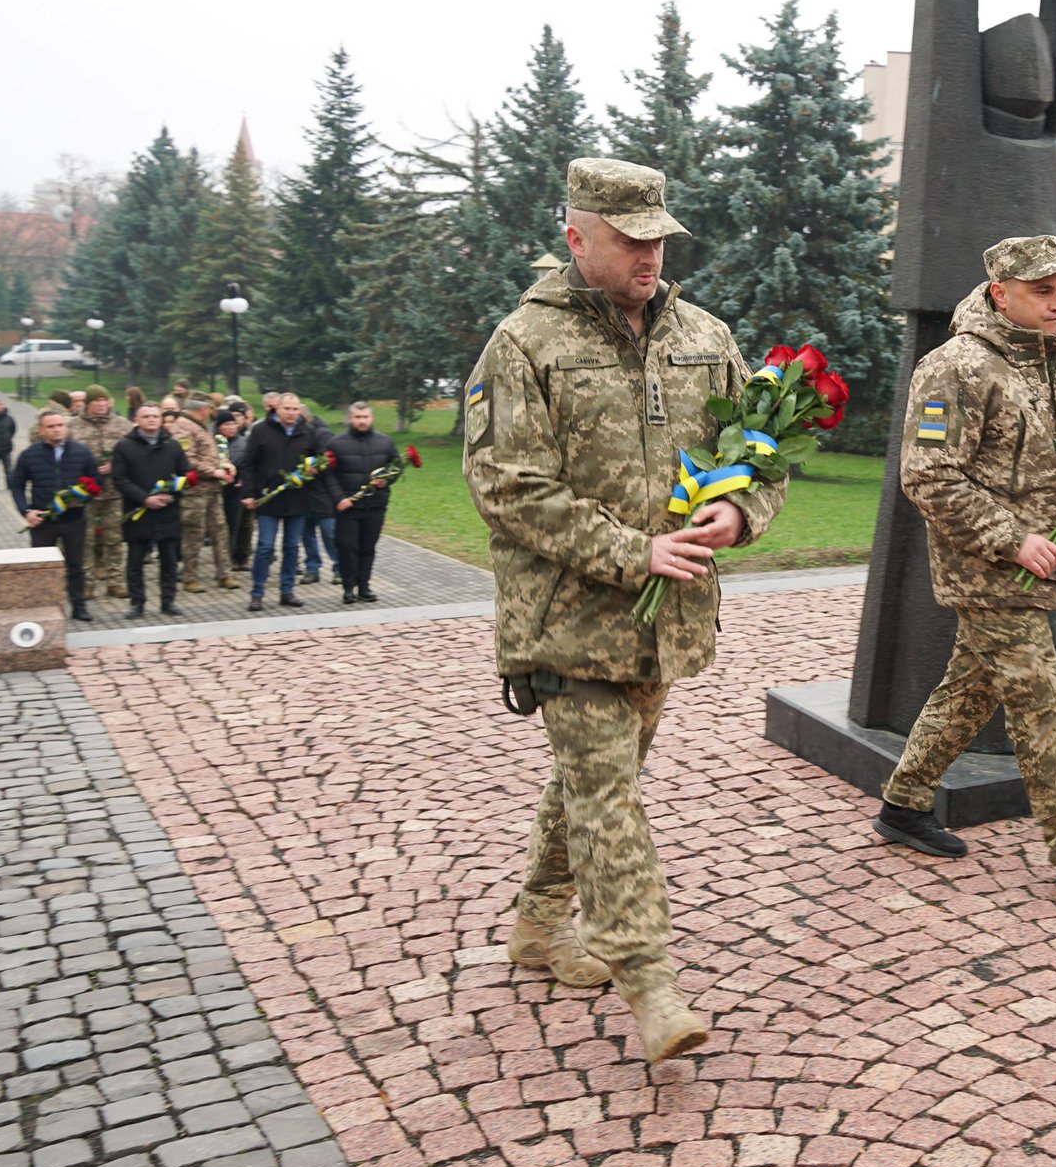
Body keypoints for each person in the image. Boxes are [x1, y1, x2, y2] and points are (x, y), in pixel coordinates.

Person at [464, 158, 786, 1063]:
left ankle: (534, 926)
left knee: (592, 786)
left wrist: (742, 510)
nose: (651, 254)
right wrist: (629, 550)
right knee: (612, 802)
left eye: (658, 238)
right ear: (577, 237)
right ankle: (651, 983)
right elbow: (505, 485)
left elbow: (757, 453)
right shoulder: (522, 345)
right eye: (629, 239)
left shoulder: (706, 334)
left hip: (667, 622)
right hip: (565, 619)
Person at [870, 234, 1056, 894]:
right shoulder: (953, 367)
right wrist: (1012, 537)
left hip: (1046, 567)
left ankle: (903, 803)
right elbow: (927, 474)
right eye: (1041, 291)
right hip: (984, 568)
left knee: (969, 689)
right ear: (1001, 293)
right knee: (1042, 702)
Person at [9, 408, 99, 621]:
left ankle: (78, 607)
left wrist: (83, 498)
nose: (57, 430)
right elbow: (16, 484)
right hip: (44, 522)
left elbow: (95, 480)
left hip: (74, 519)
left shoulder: (81, 452)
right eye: (51, 426)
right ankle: (43, 607)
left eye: (60, 425)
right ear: (41, 430)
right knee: (42, 567)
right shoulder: (30, 454)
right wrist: (26, 511)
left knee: (76, 565)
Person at [237, 390, 323, 611]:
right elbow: (247, 464)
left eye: (295, 409)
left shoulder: (307, 432)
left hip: (297, 499)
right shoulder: (261, 430)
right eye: (287, 409)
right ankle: (257, 593)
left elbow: (318, 459)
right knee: (265, 546)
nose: (291, 413)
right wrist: (248, 493)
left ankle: (287, 591)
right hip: (268, 498)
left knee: (292, 547)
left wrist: (314, 470)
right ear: (277, 408)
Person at [112, 403, 190, 619]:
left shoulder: (173, 446)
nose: (152, 420)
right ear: (136, 420)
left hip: (167, 511)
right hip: (138, 512)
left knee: (169, 560)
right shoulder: (124, 446)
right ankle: (137, 603)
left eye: (156, 416)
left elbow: (185, 475)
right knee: (135, 560)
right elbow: (120, 479)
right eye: (146, 416)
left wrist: (172, 495)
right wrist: (145, 499)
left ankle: (168, 601)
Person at [324, 401, 396, 604]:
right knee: (347, 547)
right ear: (350, 418)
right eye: (357, 417)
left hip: (375, 505)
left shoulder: (385, 442)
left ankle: (364, 586)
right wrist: (339, 498)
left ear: (371, 418)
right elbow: (328, 475)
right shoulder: (336, 444)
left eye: (365, 417)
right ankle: (348, 588)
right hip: (348, 506)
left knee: (368, 547)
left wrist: (387, 480)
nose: (362, 421)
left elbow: (395, 467)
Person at [68, 384, 131, 600]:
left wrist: (115, 465)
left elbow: (134, 453)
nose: (102, 405)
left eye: (105, 401)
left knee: (114, 538)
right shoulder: (72, 426)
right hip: (84, 493)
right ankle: (87, 584)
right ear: (88, 404)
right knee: (86, 540)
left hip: (114, 492)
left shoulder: (123, 425)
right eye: (97, 401)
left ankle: (115, 581)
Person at [171, 398, 236, 591]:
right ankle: (190, 577)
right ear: (201, 409)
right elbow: (187, 459)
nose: (211, 412)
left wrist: (223, 465)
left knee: (220, 531)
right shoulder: (183, 427)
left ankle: (224, 574)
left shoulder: (201, 426)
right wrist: (212, 471)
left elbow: (209, 454)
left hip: (213, 490)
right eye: (209, 409)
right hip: (195, 491)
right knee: (194, 534)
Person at [300, 406, 339, 586]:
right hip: (302, 492)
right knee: (306, 533)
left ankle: (339, 567)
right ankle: (312, 567)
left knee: (329, 532)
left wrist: (316, 467)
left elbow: (331, 460)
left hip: (323, 492)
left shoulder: (322, 434)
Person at [217, 406, 254, 570]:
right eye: (226, 424)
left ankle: (239, 556)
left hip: (238, 489)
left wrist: (241, 478)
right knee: (221, 527)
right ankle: (224, 559)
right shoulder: (214, 443)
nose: (231, 427)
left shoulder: (244, 442)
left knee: (239, 525)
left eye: (233, 424)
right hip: (219, 489)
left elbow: (249, 464)